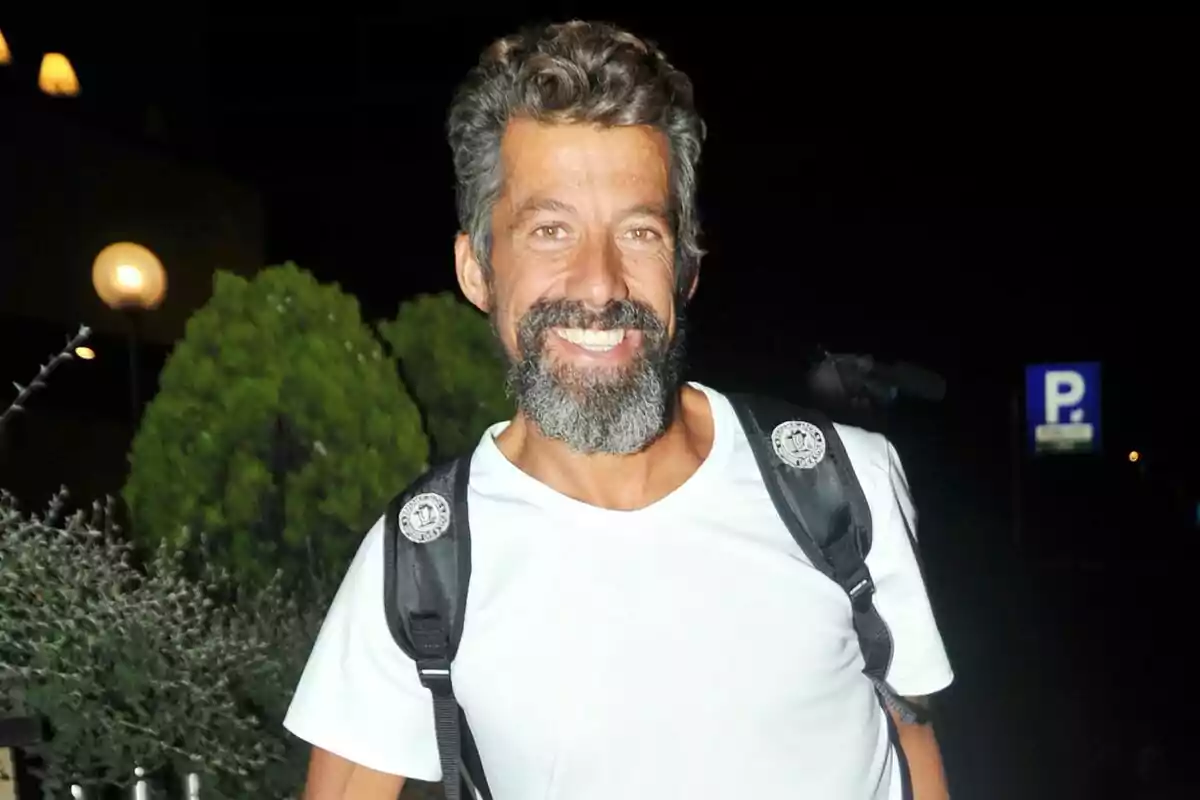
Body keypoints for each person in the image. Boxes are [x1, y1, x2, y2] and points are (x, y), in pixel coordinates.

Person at [284, 19, 954, 800]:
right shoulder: (421, 563)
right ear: (477, 270)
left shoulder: (841, 484)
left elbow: (908, 729)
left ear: (687, 264)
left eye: (639, 231)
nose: (599, 284)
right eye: (549, 230)